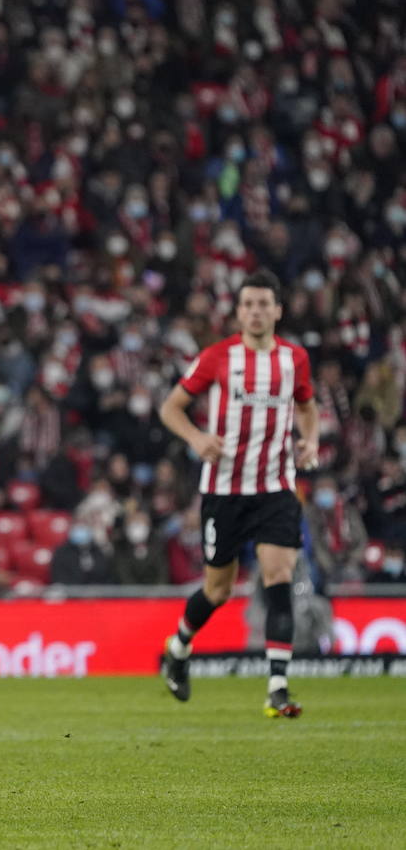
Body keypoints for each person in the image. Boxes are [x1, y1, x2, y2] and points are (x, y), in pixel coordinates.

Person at [156, 269, 319, 718]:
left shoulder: (295, 360)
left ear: (278, 310)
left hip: (275, 486)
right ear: (238, 311)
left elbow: (307, 408)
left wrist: (312, 440)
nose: (255, 311)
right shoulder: (217, 357)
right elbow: (171, 408)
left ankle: (278, 689)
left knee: (278, 575)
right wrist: (195, 438)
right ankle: (179, 648)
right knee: (218, 589)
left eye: (264, 303)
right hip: (224, 490)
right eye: (248, 304)